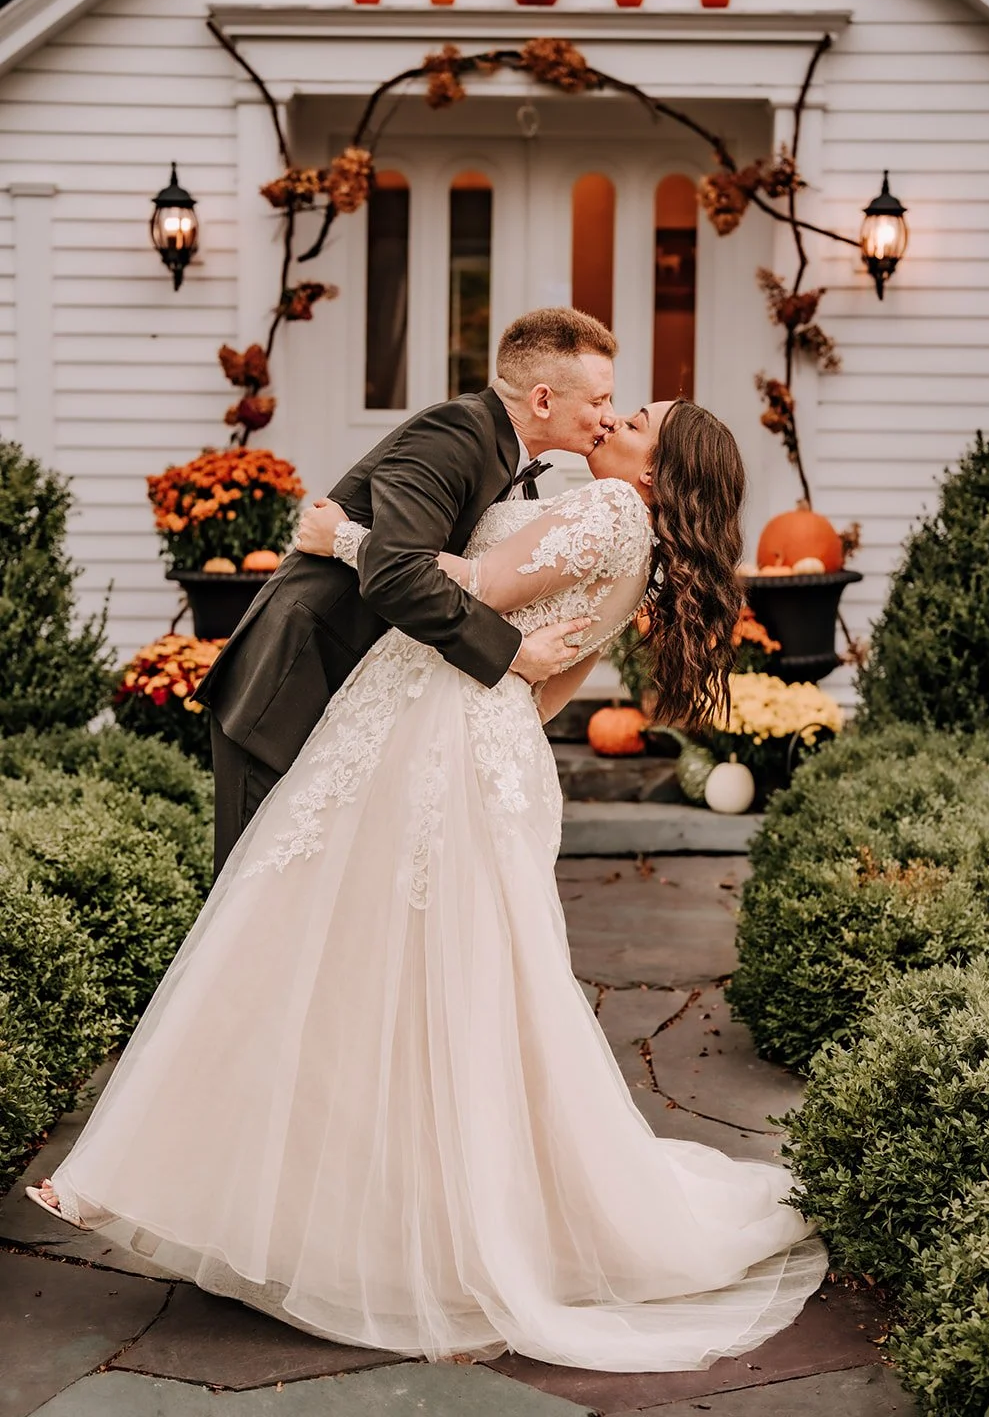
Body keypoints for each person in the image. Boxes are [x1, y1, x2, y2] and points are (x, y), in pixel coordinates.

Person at [28, 398, 827, 1373]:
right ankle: (346, 1210)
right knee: (418, 987)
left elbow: (477, 582)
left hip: (435, 743)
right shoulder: (636, 549)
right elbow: (548, 685)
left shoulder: (612, 514)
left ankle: (244, 1199)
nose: (615, 413)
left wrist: (343, 535)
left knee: (319, 950)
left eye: (639, 420)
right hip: (467, 737)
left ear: (658, 474)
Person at [194, 306, 620, 876]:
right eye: (598, 401)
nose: (609, 418)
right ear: (543, 401)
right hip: (295, 679)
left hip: (361, 696)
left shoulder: (507, 453)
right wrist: (516, 654)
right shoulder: (454, 432)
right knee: (257, 894)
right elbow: (398, 573)